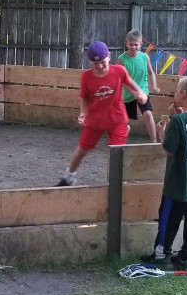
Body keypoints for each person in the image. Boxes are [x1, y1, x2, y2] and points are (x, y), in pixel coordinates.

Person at [141, 75, 187, 271]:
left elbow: (169, 149)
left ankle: (162, 255)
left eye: (176, 90)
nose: (174, 93)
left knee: (168, 217)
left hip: (177, 180)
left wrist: (163, 131)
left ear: (183, 94)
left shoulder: (179, 121)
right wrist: (176, 117)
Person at [55, 41, 148, 187]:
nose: (99, 66)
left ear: (109, 57)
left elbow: (130, 83)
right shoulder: (86, 77)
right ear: (90, 62)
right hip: (95, 120)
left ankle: (115, 181)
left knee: (116, 153)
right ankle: (68, 178)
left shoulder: (119, 71)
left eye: (103, 62)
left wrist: (139, 92)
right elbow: (84, 97)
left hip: (117, 119)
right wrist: (82, 114)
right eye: (95, 63)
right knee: (81, 150)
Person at [117, 29, 161, 142]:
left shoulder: (144, 57)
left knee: (148, 114)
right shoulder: (121, 59)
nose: (133, 47)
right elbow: (121, 79)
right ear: (126, 43)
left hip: (143, 92)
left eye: (136, 44)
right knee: (123, 119)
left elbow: (151, 72)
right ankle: (123, 133)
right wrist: (133, 92)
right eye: (130, 44)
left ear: (141, 44)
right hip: (127, 93)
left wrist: (154, 86)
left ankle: (154, 141)